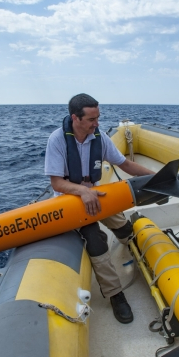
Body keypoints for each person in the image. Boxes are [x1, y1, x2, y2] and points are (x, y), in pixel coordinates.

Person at [44, 93, 155, 323]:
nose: (97, 124)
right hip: (70, 202)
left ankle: (137, 248)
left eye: (98, 118)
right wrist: (82, 191)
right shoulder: (57, 140)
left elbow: (125, 164)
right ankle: (116, 295)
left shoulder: (100, 138)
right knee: (96, 241)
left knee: (122, 226)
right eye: (92, 119)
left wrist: (157, 176)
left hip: (94, 194)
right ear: (75, 118)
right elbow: (56, 183)